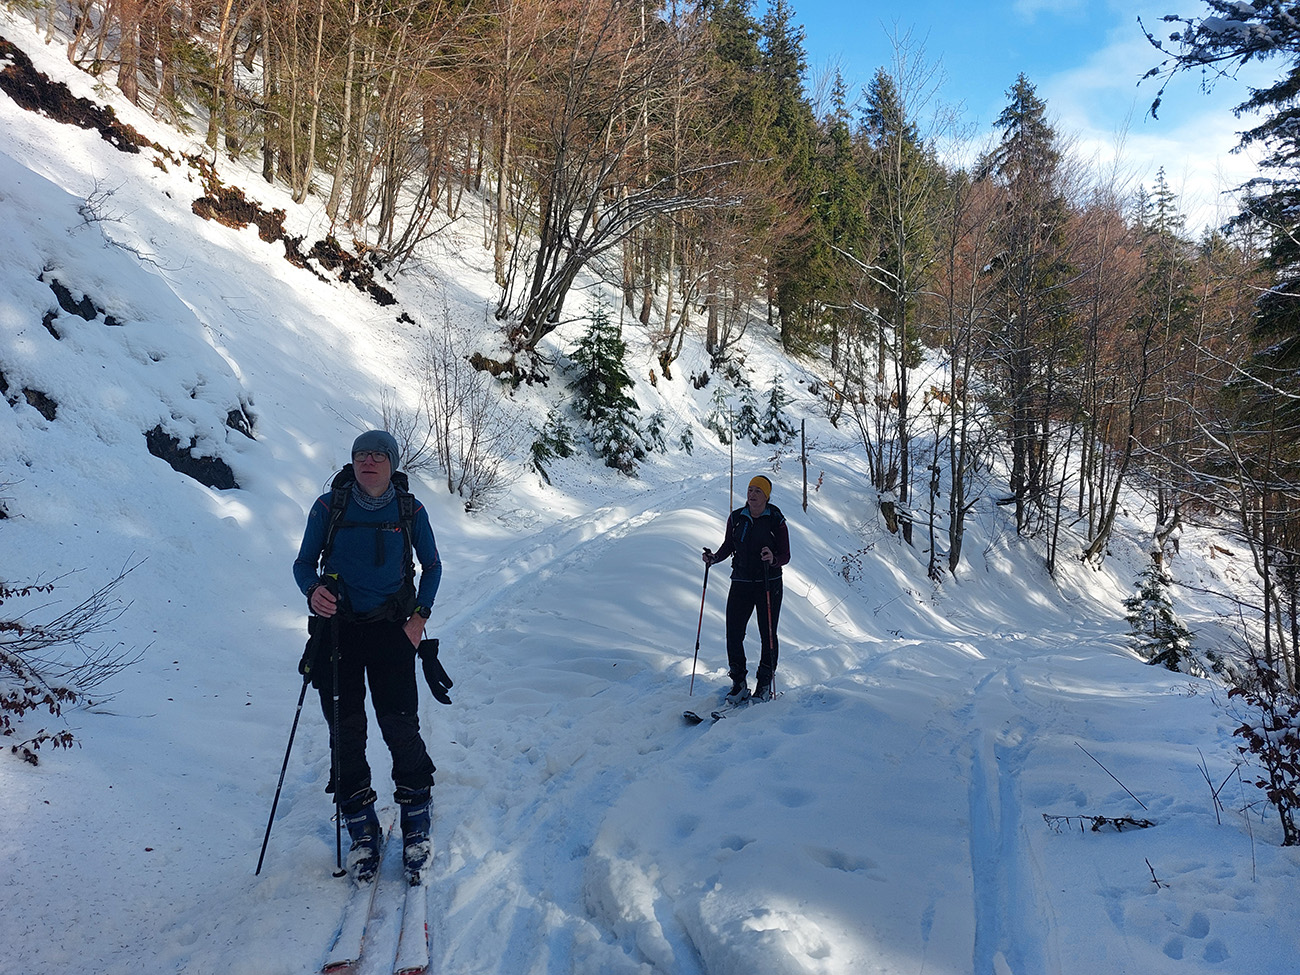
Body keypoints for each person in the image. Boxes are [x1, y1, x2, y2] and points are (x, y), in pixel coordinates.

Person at [293, 430, 441, 882]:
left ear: (392, 463)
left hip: (391, 630)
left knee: (400, 724)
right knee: (345, 729)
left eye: (378, 455)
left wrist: (419, 616)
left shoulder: (410, 510)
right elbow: (303, 564)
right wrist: (313, 590)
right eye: (361, 454)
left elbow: (432, 566)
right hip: (336, 633)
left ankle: (416, 816)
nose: (368, 461)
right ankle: (361, 826)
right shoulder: (328, 507)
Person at [702, 474, 790, 703]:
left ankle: (764, 683)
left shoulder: (776, 519)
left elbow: (785, 555)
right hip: (740, 581)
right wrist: (714, 558)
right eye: (750, 490)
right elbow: (728, 545)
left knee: (767, 634)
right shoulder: (736, 518)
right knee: (733, 632)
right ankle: (738, 682)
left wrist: (773, 558)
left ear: (766, 496)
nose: (752, 494)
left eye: (758, 491)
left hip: (768, 583)